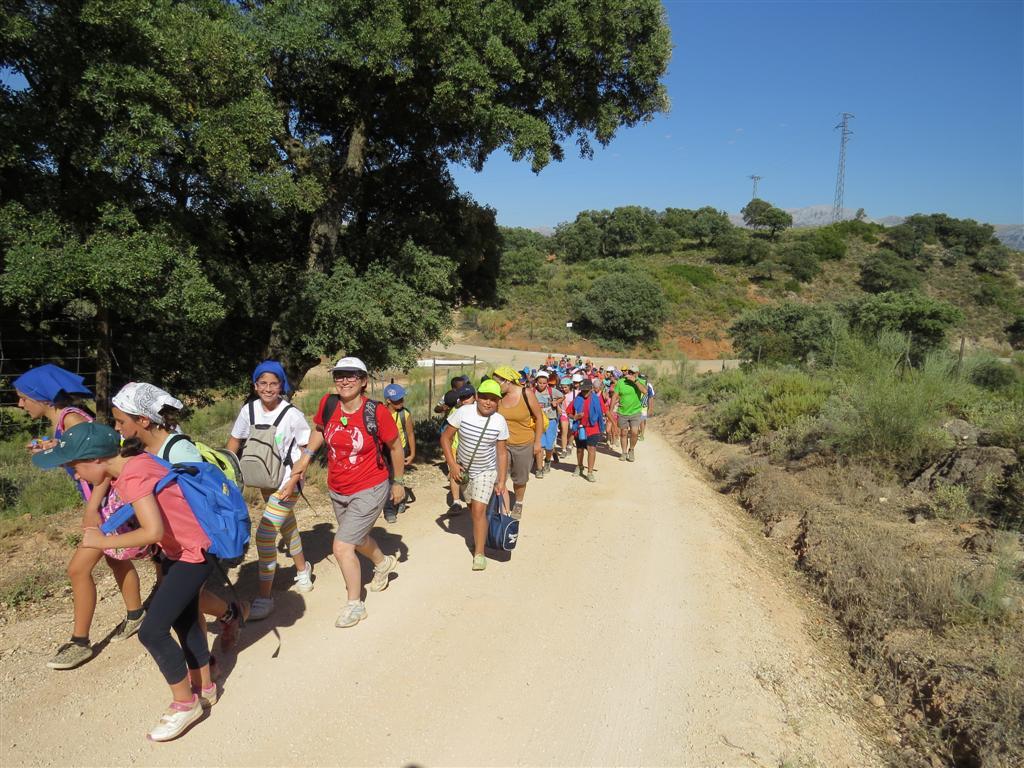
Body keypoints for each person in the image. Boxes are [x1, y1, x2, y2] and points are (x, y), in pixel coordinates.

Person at [34, 423, 216, 741]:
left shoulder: (132, 475)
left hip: (192, 554)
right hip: (187, 550)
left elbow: (152, 532)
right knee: (185, 621)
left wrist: (100, 542)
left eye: (75, 468)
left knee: (152, 632)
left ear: (95, 460)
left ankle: (185, 704)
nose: (77, 476)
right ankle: (206, 687)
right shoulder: (134, 464)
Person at [14, 365, 141, 670]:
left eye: (22, 398)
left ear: (41, 397)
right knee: (116, 559)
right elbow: (78, 452)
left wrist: (91, 510)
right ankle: (137, 615)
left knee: (77, 570)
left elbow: (101, 466)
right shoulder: (64, 420)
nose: (20, 404)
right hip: (103, 504)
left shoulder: (70, 419)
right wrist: (52, 447)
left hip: (104, 506)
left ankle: (80, 642)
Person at [111, 383, 247, 650]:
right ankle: (231, 615)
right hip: (166, 541)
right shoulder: (137, 447)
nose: (116, 427)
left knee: (186, 603)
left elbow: (200, 504)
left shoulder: (180, 452)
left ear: (143, 420)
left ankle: (206, 667)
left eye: (120, 421)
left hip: (192, 545)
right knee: (182, 600)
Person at [288, 356, 404, 628]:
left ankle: (355, 604)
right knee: (357, 537)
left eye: (352, 375)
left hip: (371, 487)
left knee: (341, 546)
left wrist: (398, 481)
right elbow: (319, 429)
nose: (345, 380)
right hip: (337, 487)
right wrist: (306, 457)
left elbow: (396, 447)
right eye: (340, 375)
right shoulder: (329, 404)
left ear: (364, 381)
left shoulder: (377, 412)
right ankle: (383, 563)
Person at [226, 361, 313, 621]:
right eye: (262, 383)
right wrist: (227, 472)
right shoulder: (248, 410)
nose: (267, 388)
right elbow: (234, 441)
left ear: (281, 386)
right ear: (255, 386)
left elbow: (306, 450)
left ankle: (265, 598)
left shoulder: (292, 415)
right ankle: (303, 569)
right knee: (286, 526)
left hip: (288, 481)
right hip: (264, 480)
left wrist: (294, 480)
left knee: (265, 535)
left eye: (273, 383)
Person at [439, 380, 509, 570]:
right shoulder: (463, 412)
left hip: (486, 471)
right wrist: (452, 465)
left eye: (493, 399)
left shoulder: (499, 421)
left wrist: (501, 480)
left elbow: (501, 453)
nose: (488, 402)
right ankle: (480, 533)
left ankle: (479, 553)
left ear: (498, 402)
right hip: (464, 470)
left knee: (478, 510)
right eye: (485, 397)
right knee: (472, 508)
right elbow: (445, 438)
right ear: (477, 396)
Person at [491, 366, 543, 521]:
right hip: (501, 444)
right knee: (498, 478)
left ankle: (518, 503)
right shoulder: (498, 396)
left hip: (523, 443)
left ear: (507, 381)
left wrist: (538, 442)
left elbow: (539, 417)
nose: (495, 386)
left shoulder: (526, 394)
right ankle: (503, 509)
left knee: (520, 479)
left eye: (497, 383)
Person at [382, 383, 416, 523]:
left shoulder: (404, 414)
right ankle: (392, 506)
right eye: (398, 400)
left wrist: (412, 453)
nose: (401, 402)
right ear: (388, 400)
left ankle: (395, 504)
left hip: (400, 451)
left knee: (396, 478)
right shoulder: (380, 413)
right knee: (386, 480)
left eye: (402, 399)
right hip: (384, 451)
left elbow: (410, 434)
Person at [567, 379, 604, 482]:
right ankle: (580, 466)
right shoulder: (577, 399)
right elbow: (568, 412)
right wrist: (575, 417)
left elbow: (604, 411)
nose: (584, 392)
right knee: (579, 449)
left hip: (593, 428)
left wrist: (613, 424)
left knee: (591, 449)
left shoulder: (596, 399)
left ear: (591, 389)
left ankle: (590, 472)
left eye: (586, 390)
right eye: (582, 390)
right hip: (580, 428)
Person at [531, 370, 563, 477]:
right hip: (538, 421)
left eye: (544, 383)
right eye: (540, 383)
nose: (542, 385)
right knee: (539, 445)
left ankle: (548, 461)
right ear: (536, 382)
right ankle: (539, 469)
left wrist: (556, 402)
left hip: (551, 420)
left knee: (549, 445)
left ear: (547, 382)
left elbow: (562, 396)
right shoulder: (532, 392)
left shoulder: (552, 391)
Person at [611, 366, 645, 462]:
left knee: (634, 432)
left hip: (635, 412)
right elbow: (615, 396)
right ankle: (624, 452)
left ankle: (632, 450)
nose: (631, 374)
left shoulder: (640, 382)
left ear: (637, 373)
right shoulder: (621, 382)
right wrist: (611, 409)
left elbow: (645, 391)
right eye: (629, 372)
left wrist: (636, 381)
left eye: (633, 372)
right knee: (623, 433)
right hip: (622, 412)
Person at [639, 373, 655, 441]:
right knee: (637, 421)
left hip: (644, 406)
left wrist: (650, 409)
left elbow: (651, 397)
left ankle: (642, 434)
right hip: (635, 406)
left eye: (643, 379)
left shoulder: (649, 386)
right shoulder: (636, 384)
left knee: (642, 420)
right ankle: (638, 432)